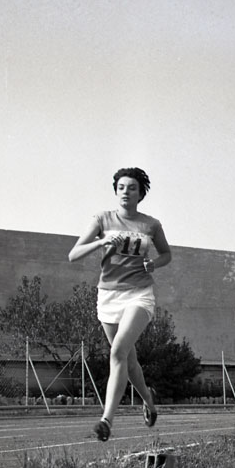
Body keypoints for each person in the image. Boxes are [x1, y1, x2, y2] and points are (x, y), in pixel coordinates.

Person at [68, 167, 172, 441]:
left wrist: (154, 264)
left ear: (140, 193)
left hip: (139, 294)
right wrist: (101, 241)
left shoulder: (151, 225)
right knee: (129, 360)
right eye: (121, 187)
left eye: (132, 188)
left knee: (117, 352)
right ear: (116, 191)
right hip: (108, 296)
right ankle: (149, 401)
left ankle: (107, 420)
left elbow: (166, 254)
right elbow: (73, 254)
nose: (126, 192)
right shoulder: (102, 219)